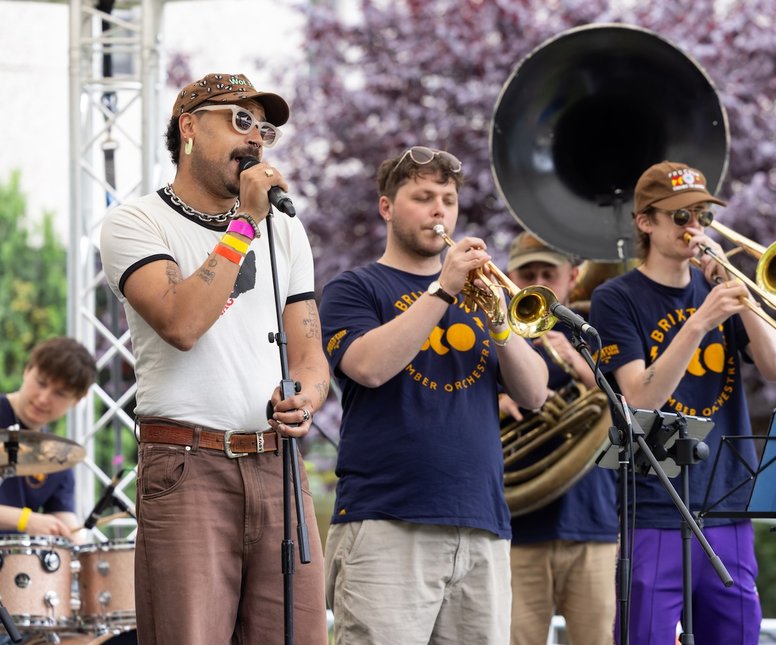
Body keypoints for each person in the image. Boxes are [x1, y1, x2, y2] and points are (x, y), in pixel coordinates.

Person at [99, 72, 331, 645]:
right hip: (187, 466)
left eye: (265, 128)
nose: (256, 139)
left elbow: (309, 354)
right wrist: (245, 225)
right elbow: (181, 323)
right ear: (188, 129)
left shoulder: (286, 232)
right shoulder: (135, 223)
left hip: (278, 464)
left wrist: (306, 397)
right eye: (240, 120)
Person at [319, 145, 550, 644]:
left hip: (481, 522)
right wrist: (442, 291)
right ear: (387, 207)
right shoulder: (355, 289)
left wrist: (501, 327)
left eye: (448, 198)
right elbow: (369, 367)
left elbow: (534, 393)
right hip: (387, 522)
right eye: (423, 197)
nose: (439, 210)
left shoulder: (483, 294)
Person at [588, 160, 776, 644]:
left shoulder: (720, 291)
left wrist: (742, 297)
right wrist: (698, 322)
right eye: (680, 217)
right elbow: (639, 396)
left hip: (727, 502)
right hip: (658, 505)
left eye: (701, 214)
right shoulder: (616, 298)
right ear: (645, 222)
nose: (694, 228)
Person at [502, 232, 618, 645]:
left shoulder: (593, 336)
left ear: (572, 277)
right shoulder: (497, 337)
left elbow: (630, 404)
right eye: (526, 273)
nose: (536, 281)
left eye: (547, 273)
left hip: (593, 521)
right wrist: (498, 399)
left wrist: (576, 360)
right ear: (507, 279)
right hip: (516, 527)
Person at [0, 336, 96, 538]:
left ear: (78, 399)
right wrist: (26, 520)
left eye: (60, 393)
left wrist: (81, 547)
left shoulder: (57, 455)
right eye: (41, 383)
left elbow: (67, 527)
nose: (44, 399)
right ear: (27, 370)